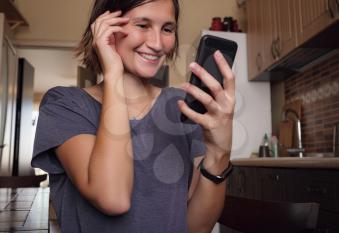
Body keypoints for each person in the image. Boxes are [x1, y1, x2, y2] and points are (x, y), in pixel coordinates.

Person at [31, 0, 236, 232]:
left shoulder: (182, 106)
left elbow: (195, 228)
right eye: (142, 25)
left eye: (167, 29)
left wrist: (220, 152)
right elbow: (113, 198)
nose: (157, 44)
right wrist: (113, 74)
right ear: (106, 26)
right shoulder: (65, 105)